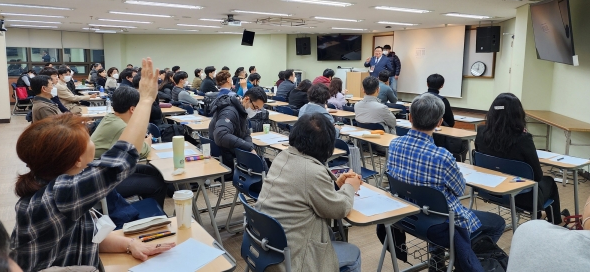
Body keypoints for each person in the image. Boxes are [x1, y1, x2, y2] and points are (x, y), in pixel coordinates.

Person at [10, 58, 175, 272]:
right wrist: (145, 100)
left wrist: (130, 244)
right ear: (77, 159)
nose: (93, 140)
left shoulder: (58, 182)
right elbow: (120, 160)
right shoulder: (60, 194)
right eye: (87, 138)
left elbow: (89, 236)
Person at [383, 93, 505, 271]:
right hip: (440, 227)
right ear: (440, 122)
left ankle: (438, 258)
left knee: (437, 206)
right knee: (497, 223)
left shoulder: (394, 145)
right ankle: (464, 261)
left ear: (410, 117)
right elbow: (459, 189)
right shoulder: (442, 156)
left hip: (406, 217)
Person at [256, 113, 362, 272]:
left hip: (267, 249)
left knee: (330, 237)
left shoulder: (282, 156)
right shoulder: (312, 171)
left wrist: (334, 185)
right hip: (293, 260)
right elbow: (340, 209)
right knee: (353, 254)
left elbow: (305, 193)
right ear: (327, 147)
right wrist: (350, 186)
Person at [475, 93, 563, 224]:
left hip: (488, 190)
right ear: (518, 114)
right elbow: (537, 176)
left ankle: (538, 216)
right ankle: (556, 222)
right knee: (549, 181)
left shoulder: (481, 131)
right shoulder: (523, 139)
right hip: (522, 197)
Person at [90, 86, 167, 208]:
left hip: (106, 169)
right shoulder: (121, 126)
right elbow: (141, 152)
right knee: (156, 185)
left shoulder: (111, 117)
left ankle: (149, 208)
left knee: (153, 172)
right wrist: (146, 142)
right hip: (102, 179)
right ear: (132, 109)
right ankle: (153, 218)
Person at [506, 189, 590, 272]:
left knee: (548, 182)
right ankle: (557, 220)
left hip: (509, 196)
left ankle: (545, 216)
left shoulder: (527, 230)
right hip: (527, 195)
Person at [208, 87, 267, 179]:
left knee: (264, 163)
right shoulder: (230, 112)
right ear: (247, 99)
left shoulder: (241, 110)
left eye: (258, 109)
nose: (256, 111)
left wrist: (250, 148)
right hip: (226, 160)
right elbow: (221, 135)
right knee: (265, 166)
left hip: (230, 154)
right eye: (255, 107)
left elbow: (246, 134)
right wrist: (248, 147)